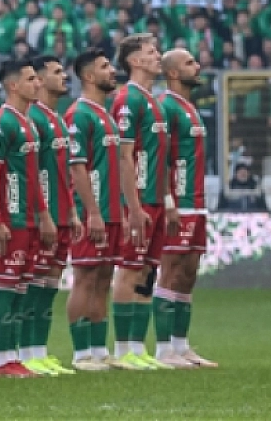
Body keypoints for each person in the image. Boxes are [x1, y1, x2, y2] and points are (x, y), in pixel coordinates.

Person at [63, 47, 142, 372]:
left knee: (102, 278)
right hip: (89, 213)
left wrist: (121, 210)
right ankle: (81, 353)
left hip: (110, 212)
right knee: (84, 277)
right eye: (105, 66)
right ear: (88, 76)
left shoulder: (105, 115)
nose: (113, 71)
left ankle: (98, 349)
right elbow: (77, 168)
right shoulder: (78, 114)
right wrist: (91, 212)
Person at [0, 57, 57, 378]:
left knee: (21, 288)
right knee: (7, 285)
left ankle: (14, 357)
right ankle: (2, 360)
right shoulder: (2, 122)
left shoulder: (27, 123)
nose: (38, 83)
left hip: (28, 218)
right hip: (10, 219)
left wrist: (43, 215)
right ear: (13, 85)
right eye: (31, 79)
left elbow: (33, 177)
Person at [110, 33, 176, 370]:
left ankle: (138, 346)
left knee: (147, 271)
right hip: (137, 201)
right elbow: (124, 157)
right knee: (130, 269)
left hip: (154, 200)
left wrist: (165, 199)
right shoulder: (128, 99)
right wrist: (132, 207)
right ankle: (123, 349)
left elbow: (160, 158)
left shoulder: (153, 101)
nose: (158, 57)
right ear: (135, 61)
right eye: (152, 52)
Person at [153, 48, 219, 369]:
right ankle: (163, 349)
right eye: (190, 63)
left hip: (196, 202)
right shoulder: (165, 107)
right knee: (171, 271)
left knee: (189, 273)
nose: (198, 66)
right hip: (177, 202)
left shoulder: (188, 108)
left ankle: (181, 346)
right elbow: (160, 160)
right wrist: (167, 203)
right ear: (174, 74)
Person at [20, 54, 79, 376]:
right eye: (57, 72)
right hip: (42, 217)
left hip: (60, 214)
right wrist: (43, 214)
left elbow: (61, 173)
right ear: (39, 80)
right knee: (31, 285)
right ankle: (23, 352)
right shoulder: (36, 119)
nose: (64, 77)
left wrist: (70, 211)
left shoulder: (55, 119)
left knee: (48, 286)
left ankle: (38, 351)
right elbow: (33, 175)